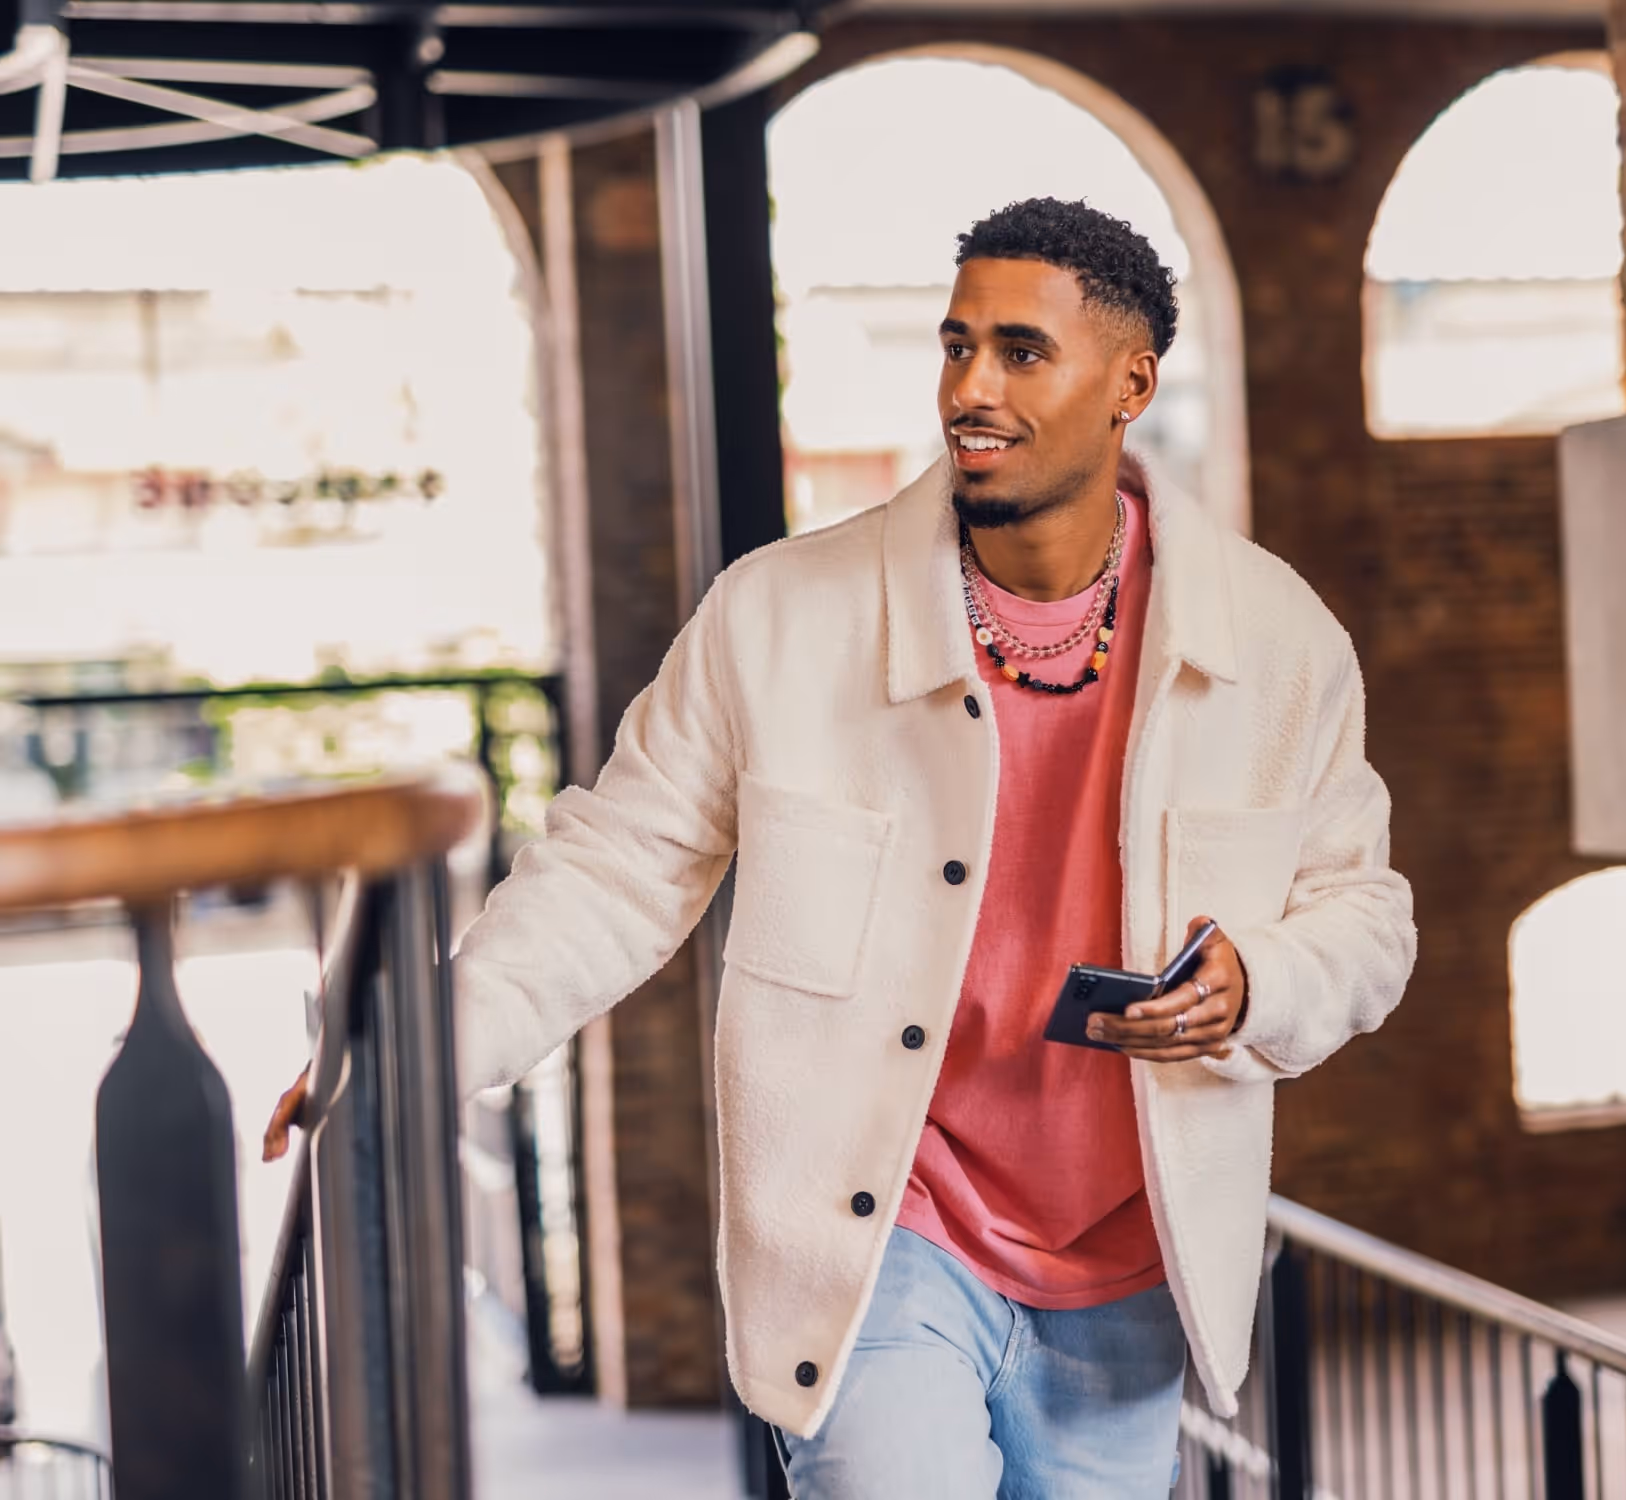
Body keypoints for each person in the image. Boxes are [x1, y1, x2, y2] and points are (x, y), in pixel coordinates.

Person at [266, 197, 1416, 1496]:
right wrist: (409, 1055)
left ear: (1130, 382)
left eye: (1022, 353)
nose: (969, 389)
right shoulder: (777, 617)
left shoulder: (1278, 640)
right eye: (955, 344)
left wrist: (1259, 980)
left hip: (1133, 1261)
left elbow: (1365, 917)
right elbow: (616, 867)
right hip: (878, 1238)